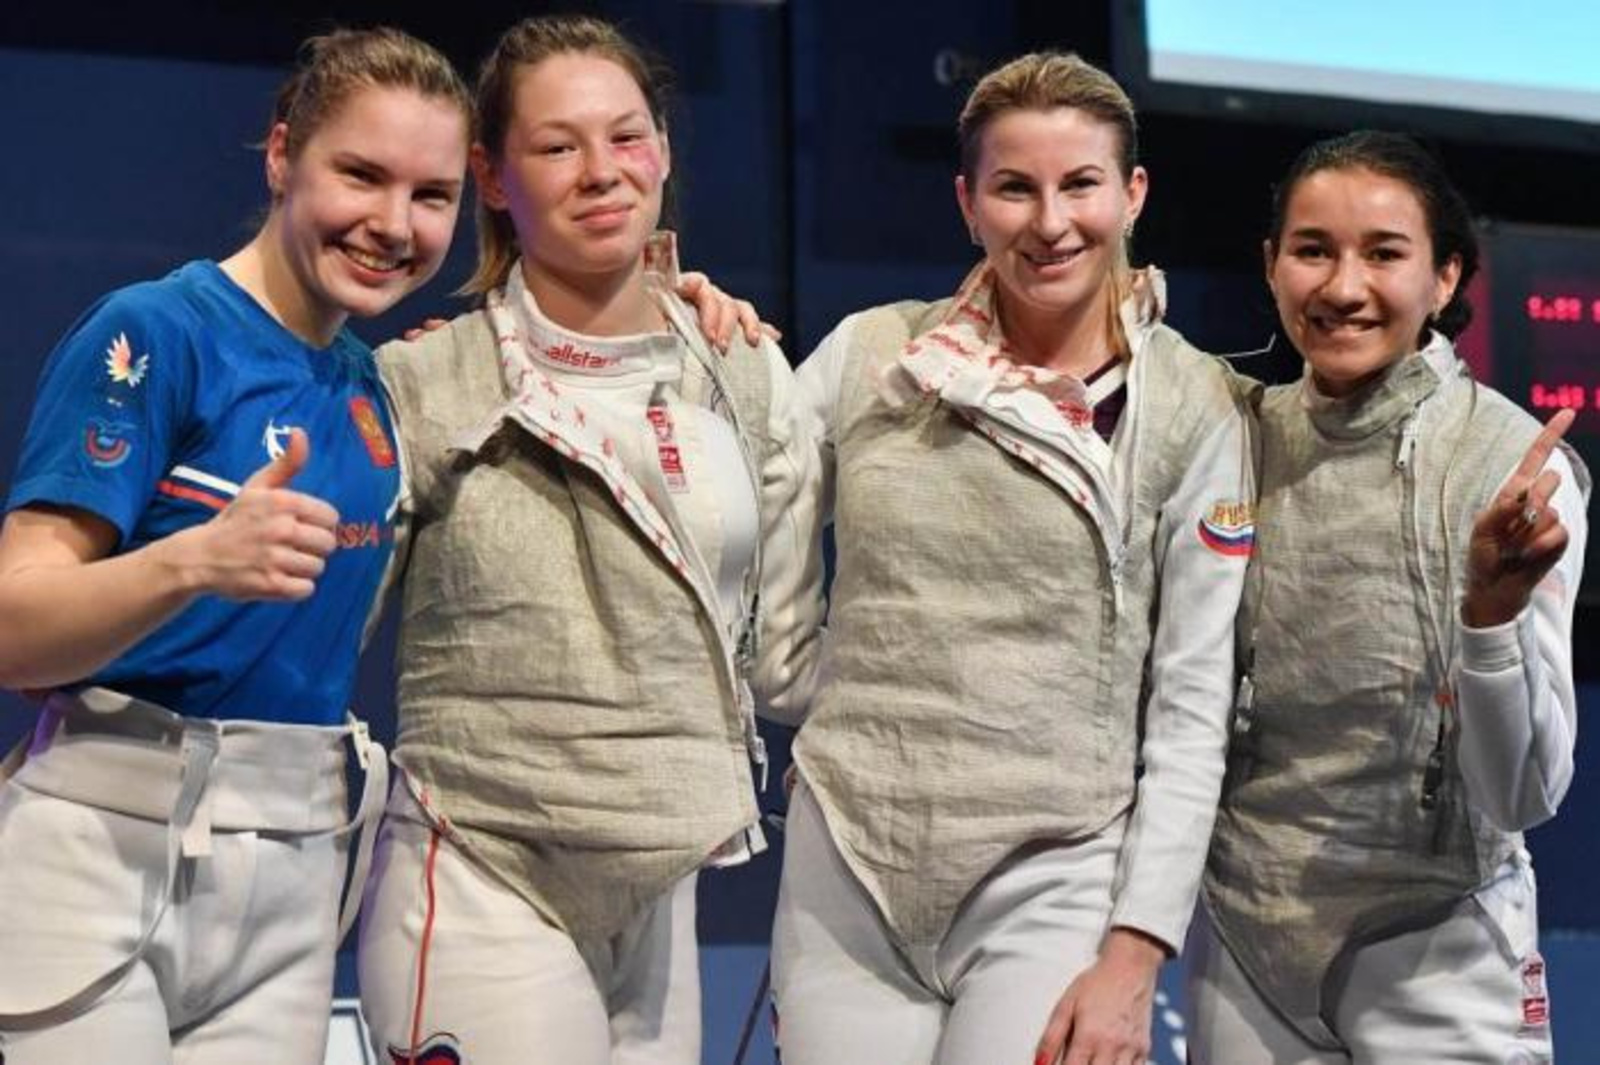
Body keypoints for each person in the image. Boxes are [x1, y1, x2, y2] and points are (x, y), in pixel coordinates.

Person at [354, 15, 823, 1065]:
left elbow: (786, 659)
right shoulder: (421, 381)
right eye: (558, 146)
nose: (602, 172)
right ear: (492, 175)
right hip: (480, 863)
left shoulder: (745, 373)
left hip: (665, 879)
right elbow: (314, 630)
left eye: (627, 136)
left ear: (664, 148)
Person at [770, 52, 1254, 1065]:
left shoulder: (1194, 405)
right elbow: (740, 498)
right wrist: (803, 679)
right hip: (849, 858)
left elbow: (1192, 700)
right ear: (967, 203)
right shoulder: (873, 354)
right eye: (1014, 188)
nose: (1050, 222)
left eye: (1080, 184)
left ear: (1132, 194)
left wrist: (1135, 952)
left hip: (1057, 866)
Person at [0, 28, 473, 1064]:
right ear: (282, 155)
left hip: (295, 884)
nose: (394, 224)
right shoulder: (155, 333)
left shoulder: (372, 386)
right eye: (361, 175)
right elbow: (13, 631)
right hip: (98, 861)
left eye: (432, 195)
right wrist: (193, 561)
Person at [1190, 130, 1589, 1064]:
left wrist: (1489, 619)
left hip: (1440, 943)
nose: (1343, 286)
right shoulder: (1233, 436)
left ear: (1445, 278)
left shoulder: (1513, 467)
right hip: (1246, 943)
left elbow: (1524, 792)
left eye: (1383, 253)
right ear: (1272, 264)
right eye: (1313, 249)